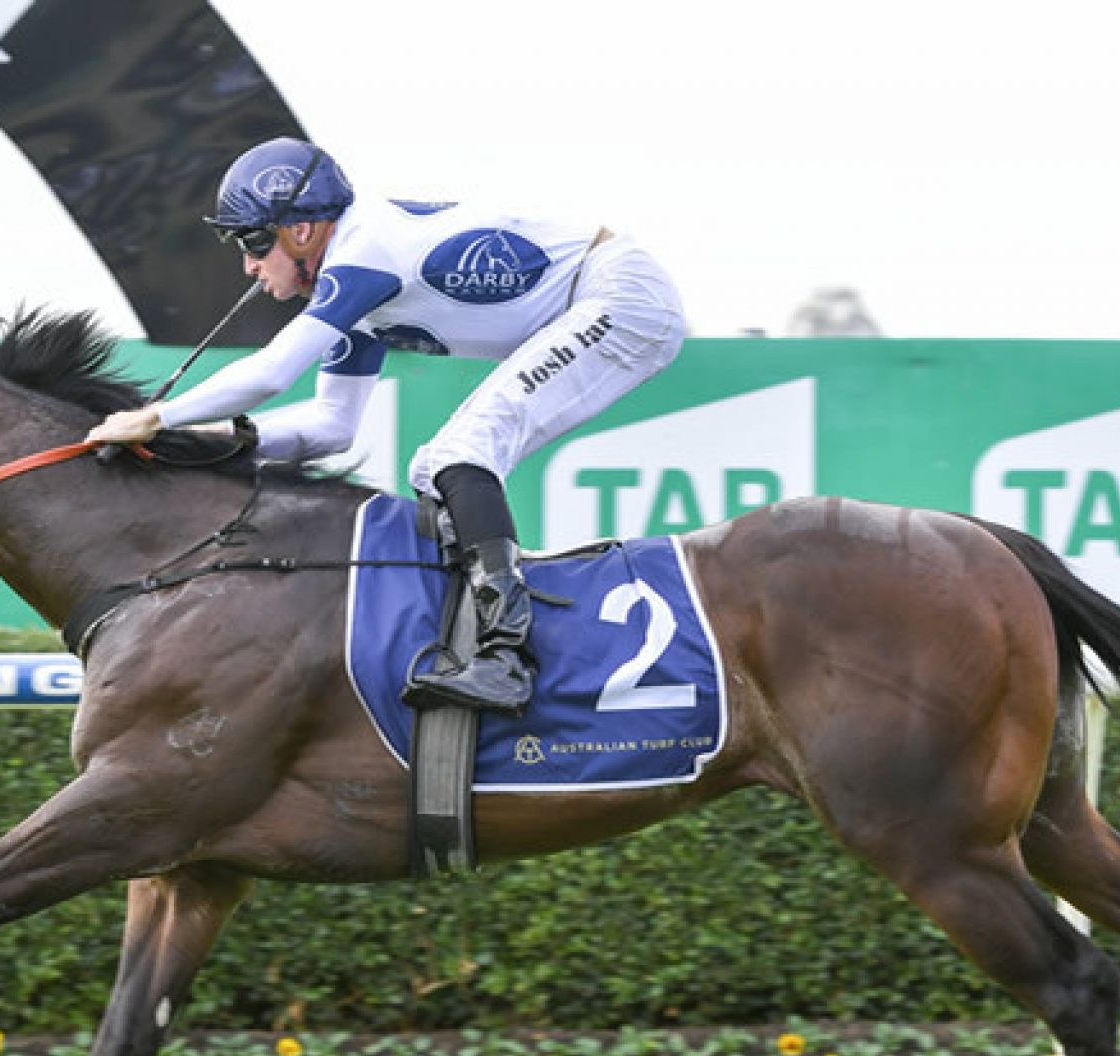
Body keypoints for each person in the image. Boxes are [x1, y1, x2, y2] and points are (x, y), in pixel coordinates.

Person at [89, 137, 686, 716]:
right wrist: (213, 442)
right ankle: (484, 644)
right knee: (438, 463)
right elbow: (331, 425)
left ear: (301, 230)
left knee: (461, 452)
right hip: (600, 297)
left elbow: (273, 372)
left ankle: (506, 658)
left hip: (619, 296)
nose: (248, 266)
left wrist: (157, 415)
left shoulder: (363, 250)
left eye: (253, 241)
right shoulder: (353, 289)